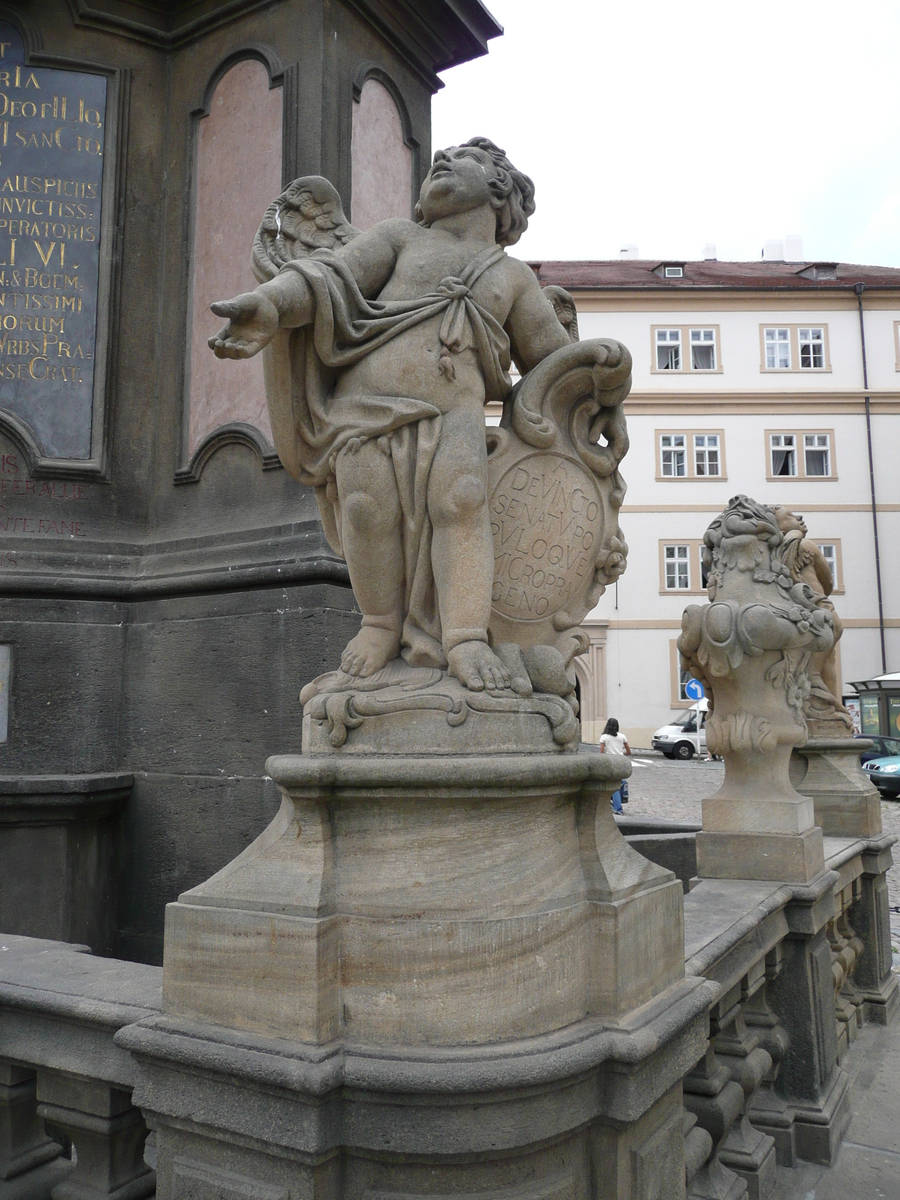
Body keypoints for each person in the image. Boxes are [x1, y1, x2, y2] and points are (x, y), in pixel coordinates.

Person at [208, 138, 572, 695]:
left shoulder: (513, 276)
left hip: (454, 412)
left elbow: (550, 359)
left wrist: (598, 375)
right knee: (363, 508)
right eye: (435, 162)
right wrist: (272, 305)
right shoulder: (402, 238)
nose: (441, 162)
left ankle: (466, 636)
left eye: (462, 159)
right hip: (365, 409)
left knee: (463, 499)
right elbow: (331, 278)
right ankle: (379, 624)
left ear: (501, 188)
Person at [598, 717, 631, 812]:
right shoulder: (622, 736)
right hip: (621, 762)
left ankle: (617, 807)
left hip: (610, 762)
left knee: (611, 786)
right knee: (618, 783)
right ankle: (617, 805)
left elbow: (601, 752)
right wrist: (620, 752)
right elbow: (629, 751)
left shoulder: (604, 737)